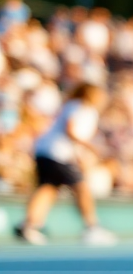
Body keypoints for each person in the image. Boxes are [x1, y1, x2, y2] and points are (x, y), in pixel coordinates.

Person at [14, 83, 118, 246]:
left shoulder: (76, 107)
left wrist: (79, 154)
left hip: (45, 151)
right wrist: (91, 148)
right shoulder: (80, 106)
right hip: (56, 153)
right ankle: (92, 227)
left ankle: (29, 226)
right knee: (81, 188)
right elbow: (70, 129)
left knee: (48, 188)